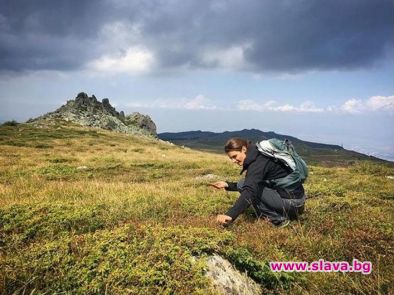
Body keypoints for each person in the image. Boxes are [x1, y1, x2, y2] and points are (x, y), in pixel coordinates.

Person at [210, 137, 306, 227]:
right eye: (231, 158)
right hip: (297, 202)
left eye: (235, 156)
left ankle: (278, 220)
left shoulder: (257, 162)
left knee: (249, 188)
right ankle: (279, 215)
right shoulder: (259, 154)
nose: (233, 161)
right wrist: (228, 185)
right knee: (244, 184)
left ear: (243, 149)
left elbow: (249, 190)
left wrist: (230, 215)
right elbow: (253, 183)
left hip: (292, 204)